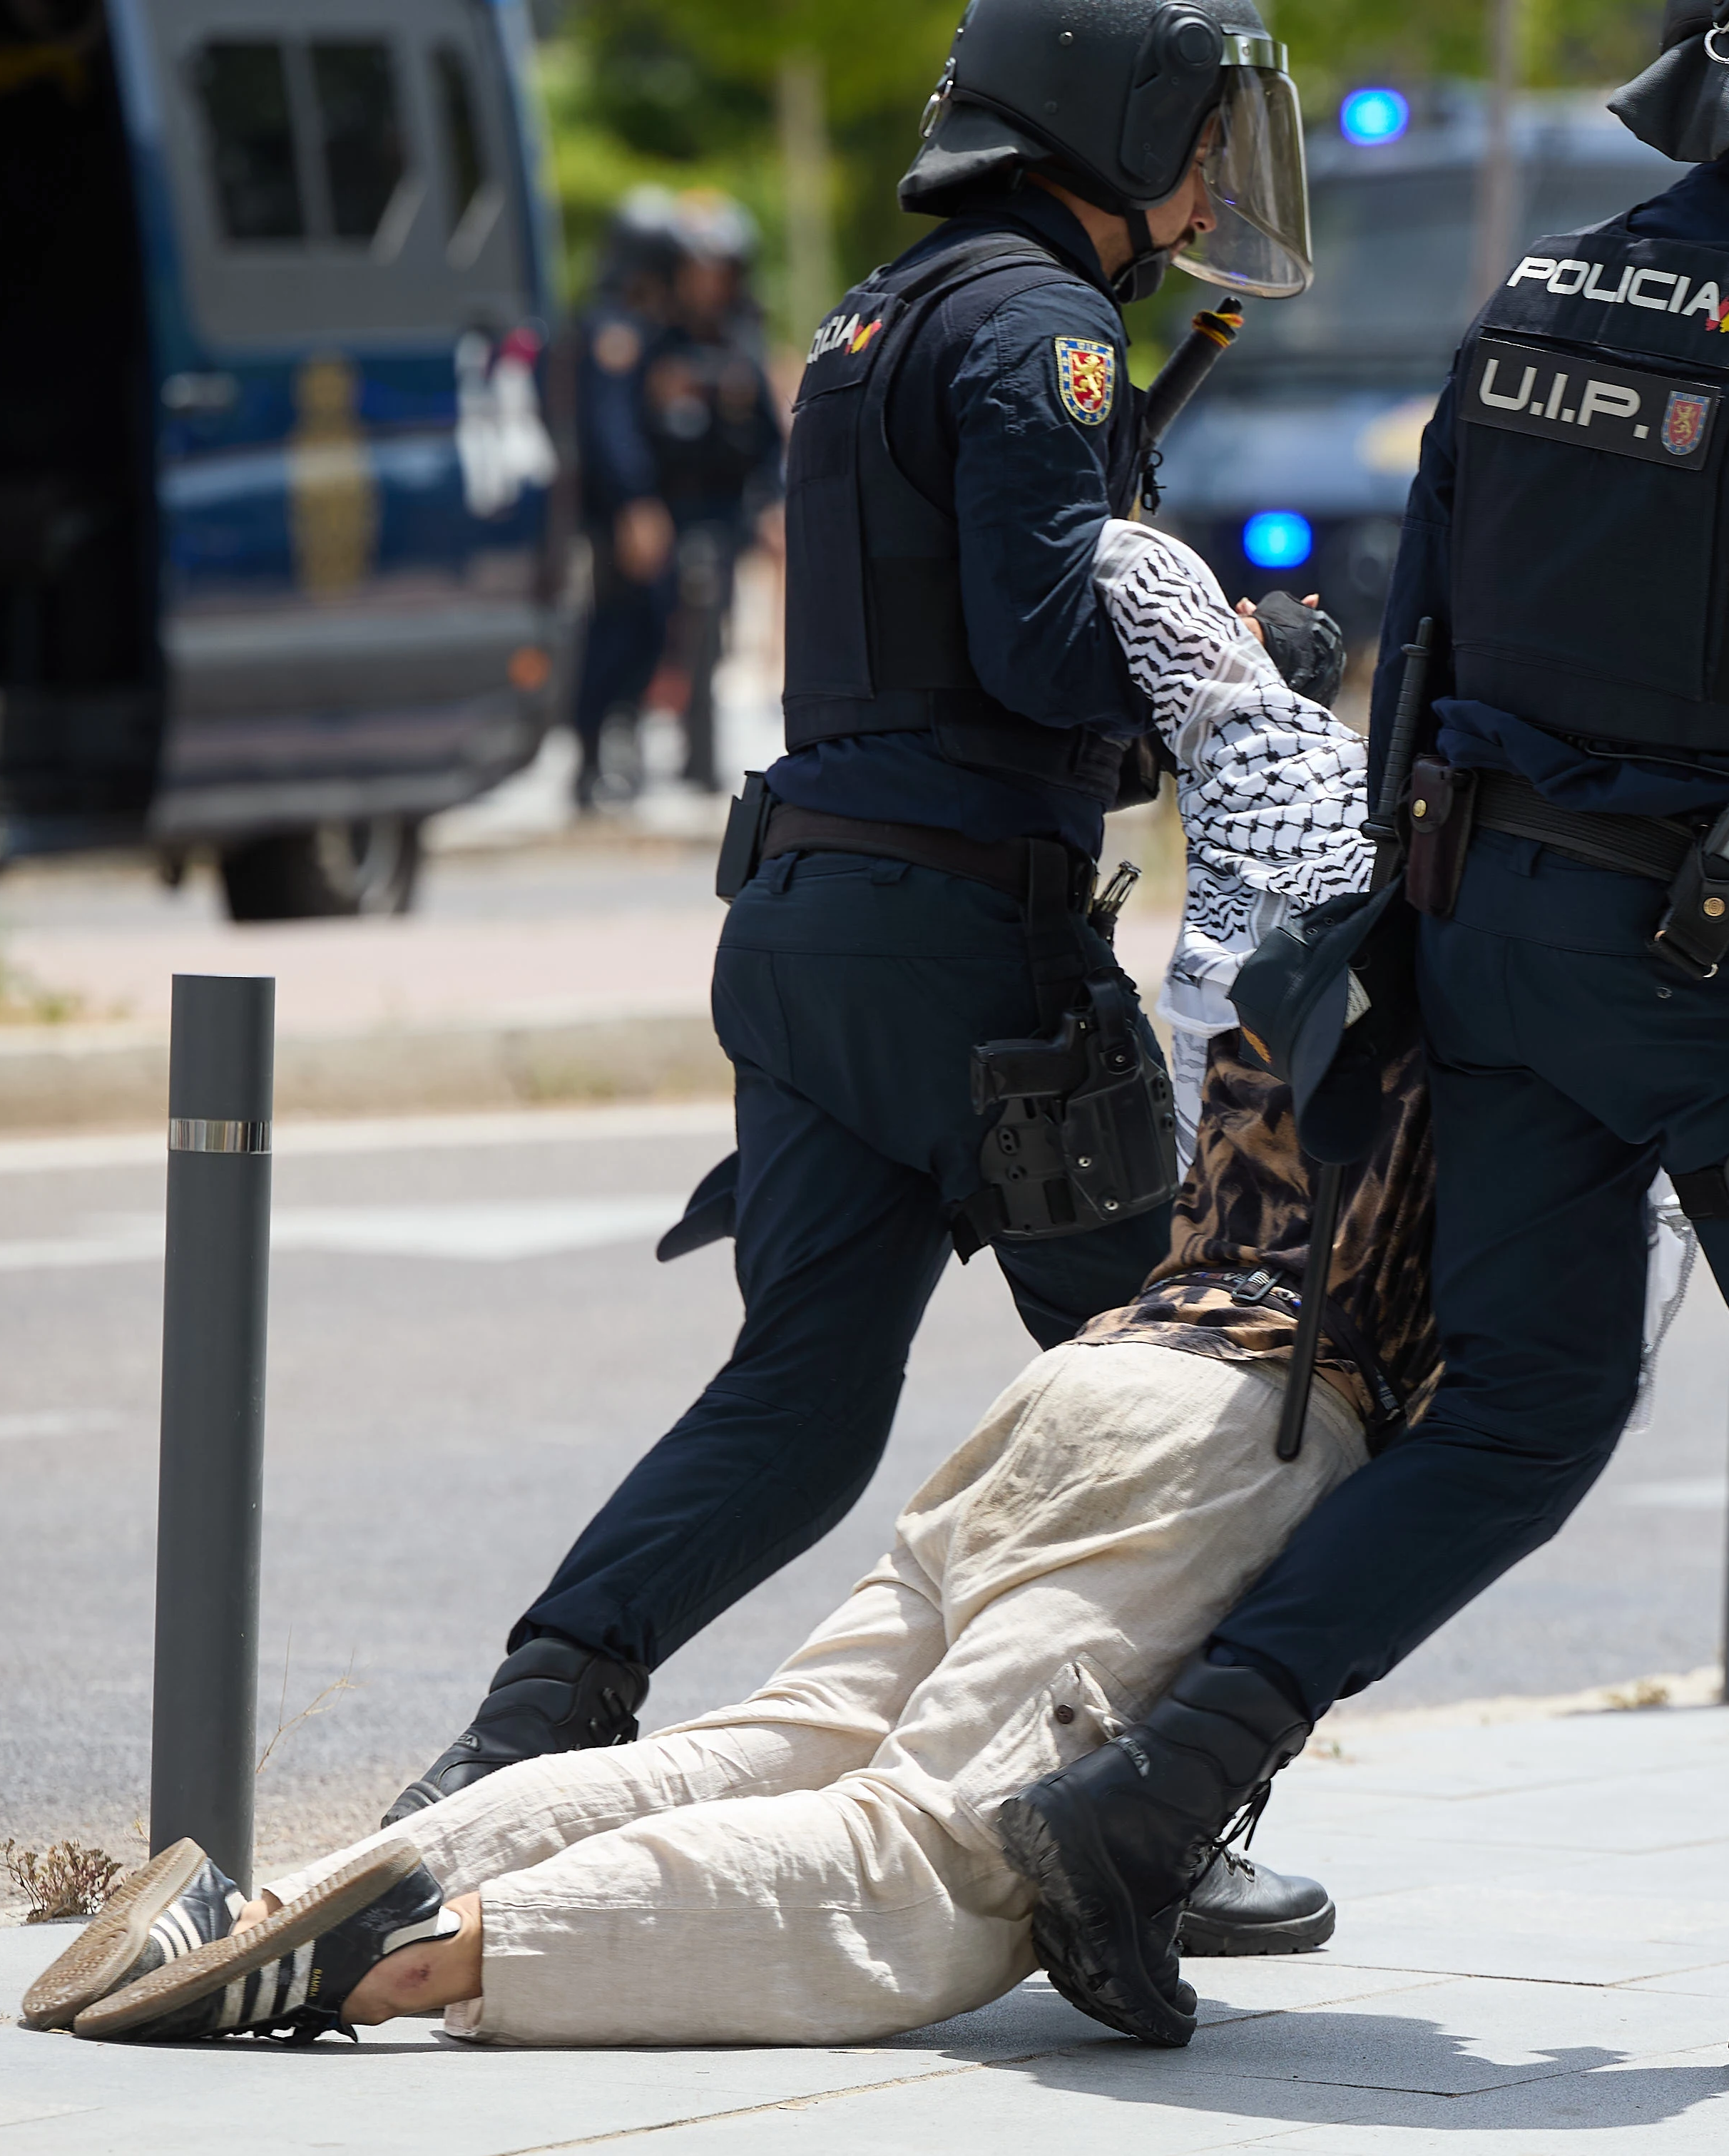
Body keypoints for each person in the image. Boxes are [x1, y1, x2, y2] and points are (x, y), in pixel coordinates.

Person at [994, 0, 1729, 2075]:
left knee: (1521, 1409)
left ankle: (1135, 1807)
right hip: (1724, 961)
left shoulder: (1533, 295)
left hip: (1479, 932)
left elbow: (1421, 650)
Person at [16, 526, 1447, 2051]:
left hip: (1086, 1379)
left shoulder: (1283, 796)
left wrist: (1231, 644)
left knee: (767, 1745)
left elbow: (1125, 580)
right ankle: (393, 1960)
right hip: (1232, 1431)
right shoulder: (1590, 1011)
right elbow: (1529, 1397)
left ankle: (257, 1908)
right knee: (920, 1869)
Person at [381, 0, 1325, 1964]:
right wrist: (1246, 642)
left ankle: (516, 1733)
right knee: (1187, 1388)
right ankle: (1137, 1815)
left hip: (812, 927)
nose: (1213, 181)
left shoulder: (880, 311)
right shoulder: (1038, 327)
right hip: (975, 956)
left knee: (801, 1400)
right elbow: (1050, 643)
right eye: (1196, 135)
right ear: (1107, 120)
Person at [645, 191, 784, 794]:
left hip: (723, 511)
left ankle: (700, 760)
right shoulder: (652, 341)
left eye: (716, 273)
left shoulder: (743, 341)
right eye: (695, 273)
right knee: (651, 631)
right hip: (663, 507)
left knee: (710, 622)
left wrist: (769, 507)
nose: (706, 286)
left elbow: (768, 442)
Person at [571, 191, 684, 809]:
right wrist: (635, 502)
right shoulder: (614, 328)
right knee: (617, 630)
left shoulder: (643, 327)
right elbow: (609, 426)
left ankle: (612, 746)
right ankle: (591, 758)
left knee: (642, 626)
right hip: (614, 512)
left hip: (632, 504)